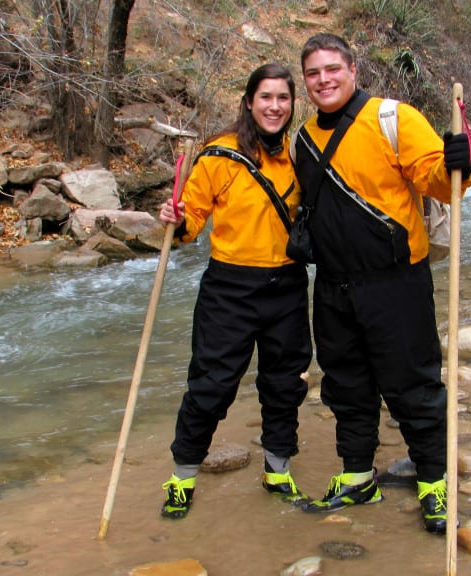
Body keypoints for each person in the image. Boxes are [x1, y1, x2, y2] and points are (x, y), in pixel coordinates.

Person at [291, 33, 471, 534]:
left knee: (413, 387)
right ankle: (357, 478)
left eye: (332, 69)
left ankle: (434, 485)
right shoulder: (303, 139)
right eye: (313, 73)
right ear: (305, 81)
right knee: (346, 387)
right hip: (332, 288)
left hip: (396, 283)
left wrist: (461, 159)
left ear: (353, 70)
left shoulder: (392, 119)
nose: (324, 79)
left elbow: (440, 181)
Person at [157, 63, 313, 520]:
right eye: (265, 97)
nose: (274, 106)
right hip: (229, 288)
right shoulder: (218, 155)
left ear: (291, 104)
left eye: (283, 98)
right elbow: (190, 225)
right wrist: (174, 219)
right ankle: (183, 476)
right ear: (249, 102)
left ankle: (278, 470)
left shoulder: (299, 156)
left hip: (286, 285)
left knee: (285, 383)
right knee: (211, 385)